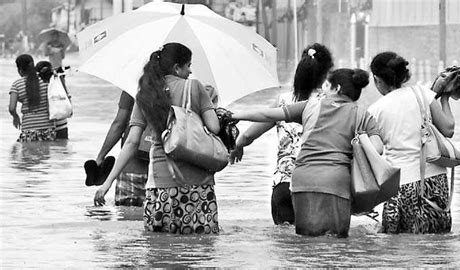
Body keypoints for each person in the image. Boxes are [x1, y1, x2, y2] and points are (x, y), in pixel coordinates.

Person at [231, 68, 383, 237]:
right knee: (335, 242)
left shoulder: (309, 106)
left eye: (326, 85)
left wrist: (235, 115)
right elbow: (378, 149)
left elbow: (267, 114)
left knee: (305, 241)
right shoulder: (362, 115)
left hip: (302, 180)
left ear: (337, 88)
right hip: (335, 181)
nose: (322, 89)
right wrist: (357, 143)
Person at [94, 43, 221, 235]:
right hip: (198, 183)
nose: (190, 70)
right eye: (188, 65)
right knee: (197, 253)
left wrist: (107, 183)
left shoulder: (145, 95)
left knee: (158, 252)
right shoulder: (195, 87)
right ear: (177, 67)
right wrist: (208, 105)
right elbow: (214, 128)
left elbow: (131, 142)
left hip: (160, 185)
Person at [229, 43, 334, 225]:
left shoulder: (284, 101)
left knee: (286, 248)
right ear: (327, 73)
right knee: (319, 248)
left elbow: (249, 135)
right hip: (319, 186)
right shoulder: (332, 104)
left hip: (284, 185)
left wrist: (237, 146)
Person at [368, 52, 455, 234]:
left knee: (401, 247)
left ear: (377, 79)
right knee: (437, 240)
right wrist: (445, 97)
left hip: (401, 183)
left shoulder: (376, 110)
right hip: (435, 180)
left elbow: (374, 152)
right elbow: (448, 129)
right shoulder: (423, 94)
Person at [94, 91, 149, 206]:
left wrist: (100, 157)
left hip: (132, 167)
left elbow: (119, 125)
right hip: (165, 172)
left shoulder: (132, 87)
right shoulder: (179, 87)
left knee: (128, 218)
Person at [9, 54, 55, 142]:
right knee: (45, 154)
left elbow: (11, 108)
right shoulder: (46, 80)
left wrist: (15, 117)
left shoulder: (16, 84)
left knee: (27, 154)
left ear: (20, 70)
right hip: (48, 127)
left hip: (28, 128)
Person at [35, 61, 70, 139]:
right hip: (62, 123)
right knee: (62, 148)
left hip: (45, 126)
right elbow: (67, 98)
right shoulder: (58, 83)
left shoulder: (38, 86)